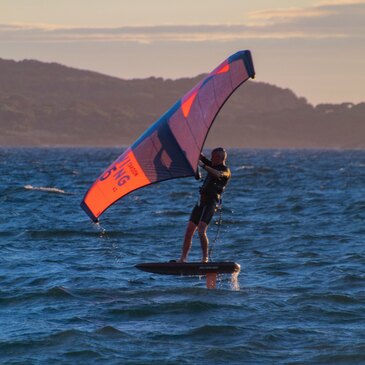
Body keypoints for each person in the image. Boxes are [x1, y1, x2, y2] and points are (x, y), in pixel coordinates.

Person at [179, 147, 231, 263]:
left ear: (219, 158)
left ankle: (205, 259)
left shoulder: (225, 170)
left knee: (201, 231)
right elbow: (201, 157)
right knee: (189, 230)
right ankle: (183, 258)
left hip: (211, 203)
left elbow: (217, 174)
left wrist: (202, 165)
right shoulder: (212, 164)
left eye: (213, 157)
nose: (211, 158)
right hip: (201, 202)